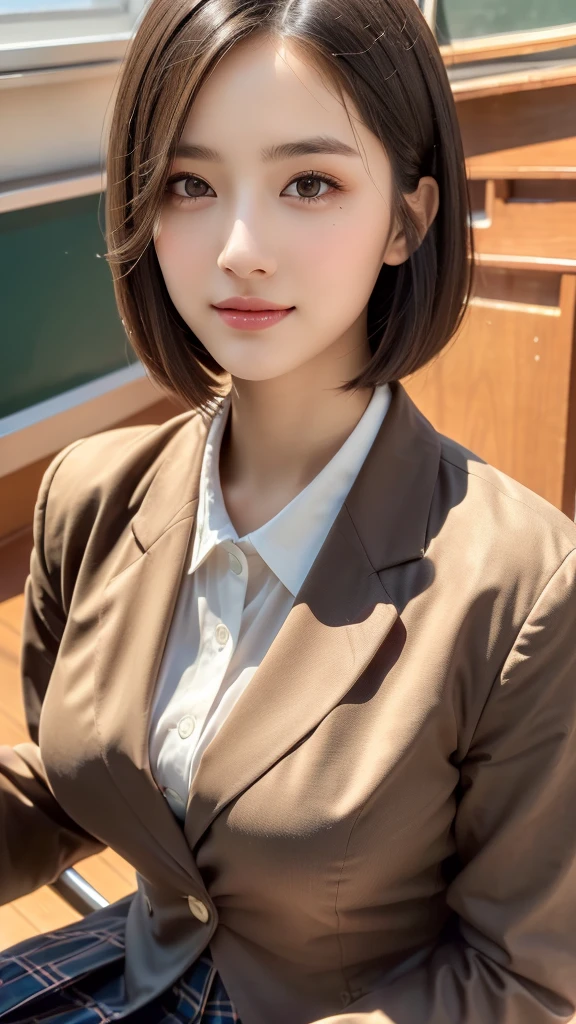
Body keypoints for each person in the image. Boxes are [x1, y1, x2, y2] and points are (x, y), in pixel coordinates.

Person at [1, 0, 576, 1021]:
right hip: (137, 969)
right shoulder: (86, 495)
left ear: (409, 217)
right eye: (189, 183)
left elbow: (520, 979)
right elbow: (68, 782)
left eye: (309, 182)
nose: (239, 247)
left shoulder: (529, 591)